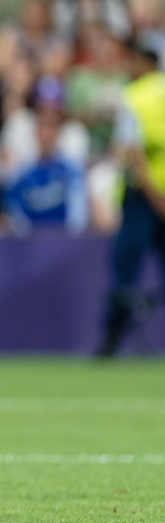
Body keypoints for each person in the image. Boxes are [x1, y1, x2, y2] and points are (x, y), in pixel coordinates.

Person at [97, 39, 165, 358]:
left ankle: (111, 344)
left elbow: (132, 152)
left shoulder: (135, 97)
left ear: (142, 62)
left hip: (143, 199)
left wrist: (154, 196)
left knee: (125, 272)